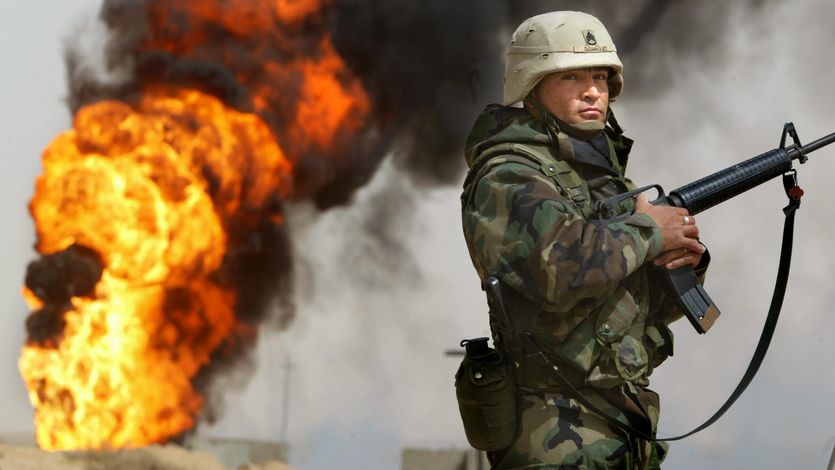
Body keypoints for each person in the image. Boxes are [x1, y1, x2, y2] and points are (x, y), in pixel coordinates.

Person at [460, 11, 709, 469]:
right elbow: (559, 267)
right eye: (572, 76)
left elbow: (634, 305)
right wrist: (651, 232)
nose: (593, 90)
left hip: (622, 424)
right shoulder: (509, 175)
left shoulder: (598, 178)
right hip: (554, 429)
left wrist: (677, 260)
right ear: (531, 85)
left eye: (600, 76)